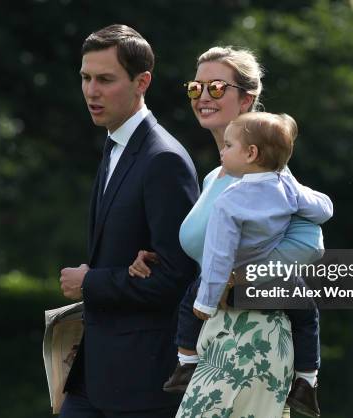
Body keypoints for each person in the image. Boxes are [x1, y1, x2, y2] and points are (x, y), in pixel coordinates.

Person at [129, 47, 331, 418]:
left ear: (247, 99)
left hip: (254, 334)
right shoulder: (214, 176)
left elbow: (309, 243)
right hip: (216, 334)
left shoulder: (267, 175)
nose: (203, 97)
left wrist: (238, 280)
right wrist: (157, 257)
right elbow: (216, 247)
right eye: (196, 88)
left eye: (217, 88)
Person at [58, 24, 200, 418]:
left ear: (143, 82)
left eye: (105, 79)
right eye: (86, 78)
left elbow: (178, 277)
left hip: (142, 384)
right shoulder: (114, 142)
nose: (91, 91)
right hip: (97, 374)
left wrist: (91, 281)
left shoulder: (164, 160)